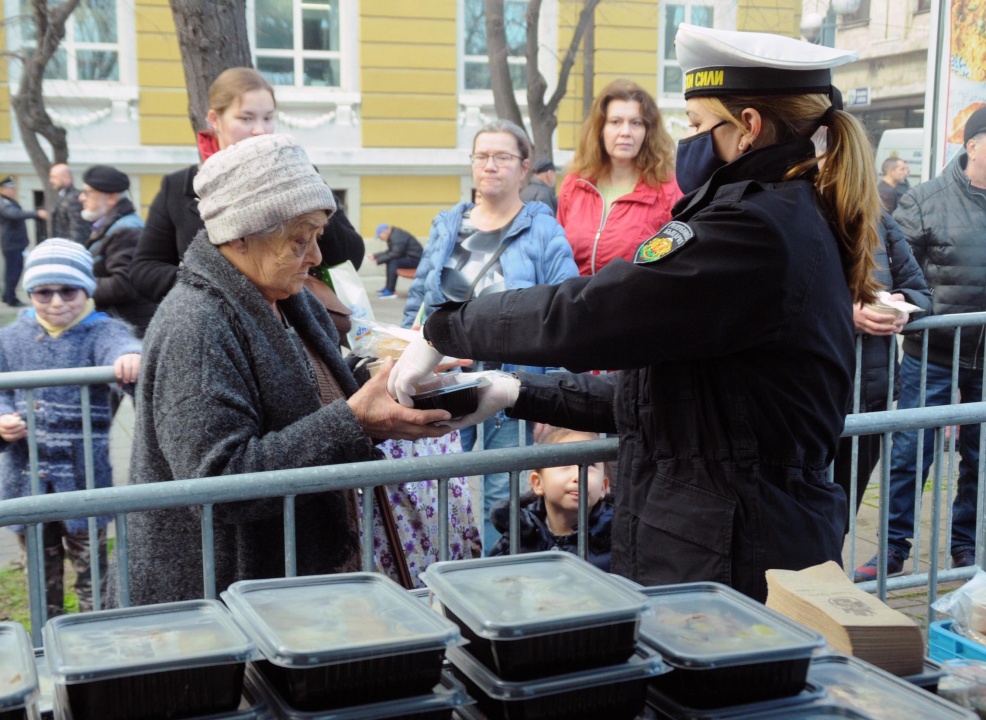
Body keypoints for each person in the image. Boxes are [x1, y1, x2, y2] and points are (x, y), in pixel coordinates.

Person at [390, 24, 883, 602]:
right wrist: (514, 391)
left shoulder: (755, 231)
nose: (689, 142)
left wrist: (448, 324)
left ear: (748, 127)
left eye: (699, 126)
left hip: (734, 553)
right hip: (730, 538)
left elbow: (596, 311)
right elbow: (671, 399)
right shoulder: (775, 218)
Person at [111, 134, 452, 606]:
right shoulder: (198, 323)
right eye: (299, 239)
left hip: (279, 582)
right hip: (219, 601)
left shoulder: (286, 295)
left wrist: (396, 380)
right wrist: (356, 421)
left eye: (316, 236)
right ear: (239, 234)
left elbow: (318, 390)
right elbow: (220, 481)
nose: (315, 257)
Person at [401, 120, 579, 553]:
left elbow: (569, 314)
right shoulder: (447, 225)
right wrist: (403, 357)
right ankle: (451, 577)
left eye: (502, 157)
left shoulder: (542, 230)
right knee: (445, 488)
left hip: (510, 384)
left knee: (501, 493)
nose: (490, 166)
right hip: (440, 383)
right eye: (482, 156)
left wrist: (554, 394)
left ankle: (494, 580)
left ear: (524, 168)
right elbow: (418, 304)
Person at [854, 106, 986, 582]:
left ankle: (965, 550)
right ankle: (891, 548)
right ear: (971, 145)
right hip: (932, 354)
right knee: (911, 452)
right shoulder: (926, 200)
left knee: (979, 457)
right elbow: (888, 266)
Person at [129, 67, 364, 304]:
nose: (259, 130)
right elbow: (144, 270)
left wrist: (305, 192)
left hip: (293, 326)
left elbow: (350, 256)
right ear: (215, 120)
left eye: (268, 118)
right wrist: (213, 284)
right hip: (219, 325)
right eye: (246, 118)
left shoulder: (301, 175)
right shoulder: (180, 186)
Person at [0, 238, 141, 616]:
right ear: (30, 293)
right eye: (44, 293)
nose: (57, 302)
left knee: (92, 575)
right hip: (24, 481)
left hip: (83, 481)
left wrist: (128, 358)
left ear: (87, 289)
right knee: (40, 576)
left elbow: (120, 344)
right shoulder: (9, 338)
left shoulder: (99, 330)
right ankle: (46, 642)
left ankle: (94, 647)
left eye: (68, 290)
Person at [832, 211, 930, 519]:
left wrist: (903, 306)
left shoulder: (880, 221)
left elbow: (921, 292)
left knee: (845, 510)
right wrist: (844, 315)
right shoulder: (795, 211)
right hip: (812, 393)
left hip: (870, 394)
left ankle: (831, 564)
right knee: (805, 513)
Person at [556, 79, 682, 276]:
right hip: (574, 303)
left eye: (636, 123)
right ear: (600, 129)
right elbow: (558, 257)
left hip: (634, 303)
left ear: (647, 132)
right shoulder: (575, 184)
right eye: (615, 122)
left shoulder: (667, 189)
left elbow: (675, 265)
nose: (625, 132)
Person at [488, 427, 613, 571]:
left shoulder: (619, 541)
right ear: (538, 483)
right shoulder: (518, 535)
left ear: (604, 487)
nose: (578, 477)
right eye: (565, 463)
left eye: (590, 465)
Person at [79, 165, 158, 338]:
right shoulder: (112, 226)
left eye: (88, 192)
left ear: (111, 198)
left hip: (126, 330)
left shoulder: (127, 231)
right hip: (118, 324)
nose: (81, 197)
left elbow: (123, 285)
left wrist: (78, 284)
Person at [0, 176, 47, 307]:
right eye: (10, 189)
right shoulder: (3, 203)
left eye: (13, 189)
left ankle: (6, 296)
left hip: (16, 243)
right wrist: (37, 214)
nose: (13, 191)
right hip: (12, 243)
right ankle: (11, 299)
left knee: (13, 270)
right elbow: (15, 214)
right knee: (13, 272)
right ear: (4, 189)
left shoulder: (10, 201)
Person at [366, 223, 423, 299]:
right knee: (390, 260)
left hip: (416, 260)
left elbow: (396, 253)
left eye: (380, 236)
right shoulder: (394, 235)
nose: (380, 238)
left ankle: (390, 290)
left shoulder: (397, 237)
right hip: (410, 258)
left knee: (393, 261)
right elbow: (391, 252)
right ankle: (388, 288)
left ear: (384, 232)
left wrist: (379, 260)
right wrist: (375, 256)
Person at [48, 163, 91, 244]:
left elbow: (77, 231)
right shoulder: (63, 196)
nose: (51, 180)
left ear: (67, 178)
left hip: (69, 250)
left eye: (54, 177)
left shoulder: (74, 199)